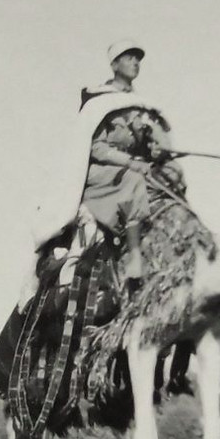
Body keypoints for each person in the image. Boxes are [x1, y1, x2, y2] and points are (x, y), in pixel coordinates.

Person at [30, 40, 183, 289]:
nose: (135, 62)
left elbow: (154, 148)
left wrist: (157, 149)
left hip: (134, 168)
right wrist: (132, 162)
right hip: (104, 172)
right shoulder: (100, 103)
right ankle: (134, 259)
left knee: (173, 174)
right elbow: (98, 149)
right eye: (129, 57)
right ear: (114, 64)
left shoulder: (140, 105)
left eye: (138, 58)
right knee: (133, 182)